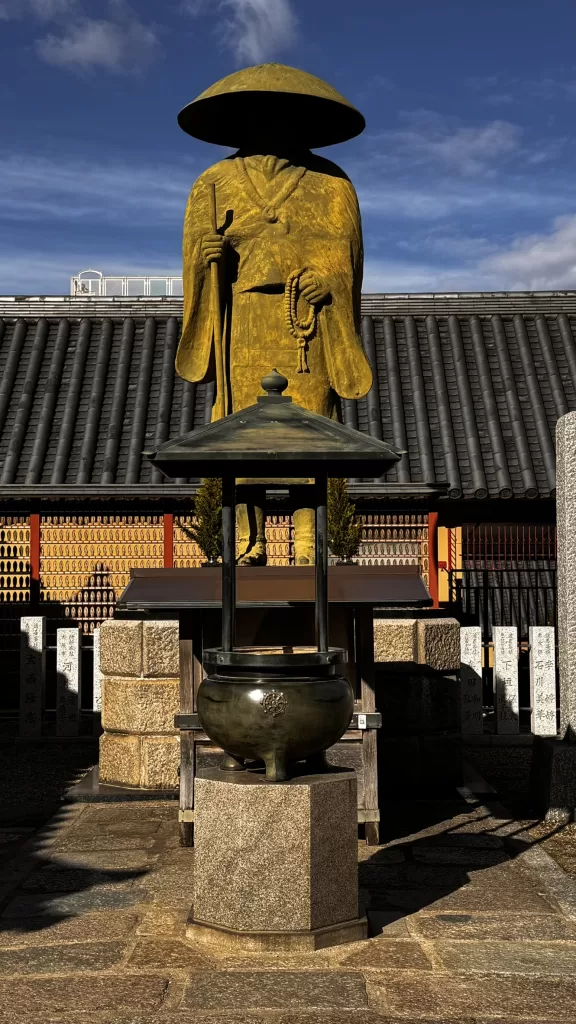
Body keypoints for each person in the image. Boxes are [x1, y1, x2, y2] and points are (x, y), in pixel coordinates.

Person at [175, 63, 373, 564]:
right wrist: (208, 256)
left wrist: (328, 280)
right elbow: (194, 254)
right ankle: (245, 539)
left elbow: (347, 254)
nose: (271, 123)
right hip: (241, 321)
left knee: (311, 429)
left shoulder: (331, 183)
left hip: (307, 323)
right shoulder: (214, 182)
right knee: (240, 429)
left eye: (285, 115)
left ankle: (312, 540)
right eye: (258, 114)